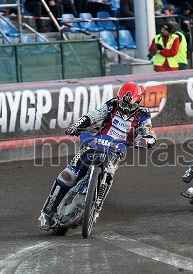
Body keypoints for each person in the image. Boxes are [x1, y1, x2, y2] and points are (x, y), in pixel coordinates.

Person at [39, 82, 157, 230]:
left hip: (116, 150)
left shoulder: (143, 113)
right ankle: (46, 213)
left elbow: (147, 129)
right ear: (118, 98)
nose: (126, 109)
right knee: (68, 175)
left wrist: (148, 139)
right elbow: (94, 115)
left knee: (109, 174)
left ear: (138, 102)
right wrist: (77, 126)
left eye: (130, 106)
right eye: (123, 104)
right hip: (96, 142)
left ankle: (96, 208)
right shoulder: (111, 104)